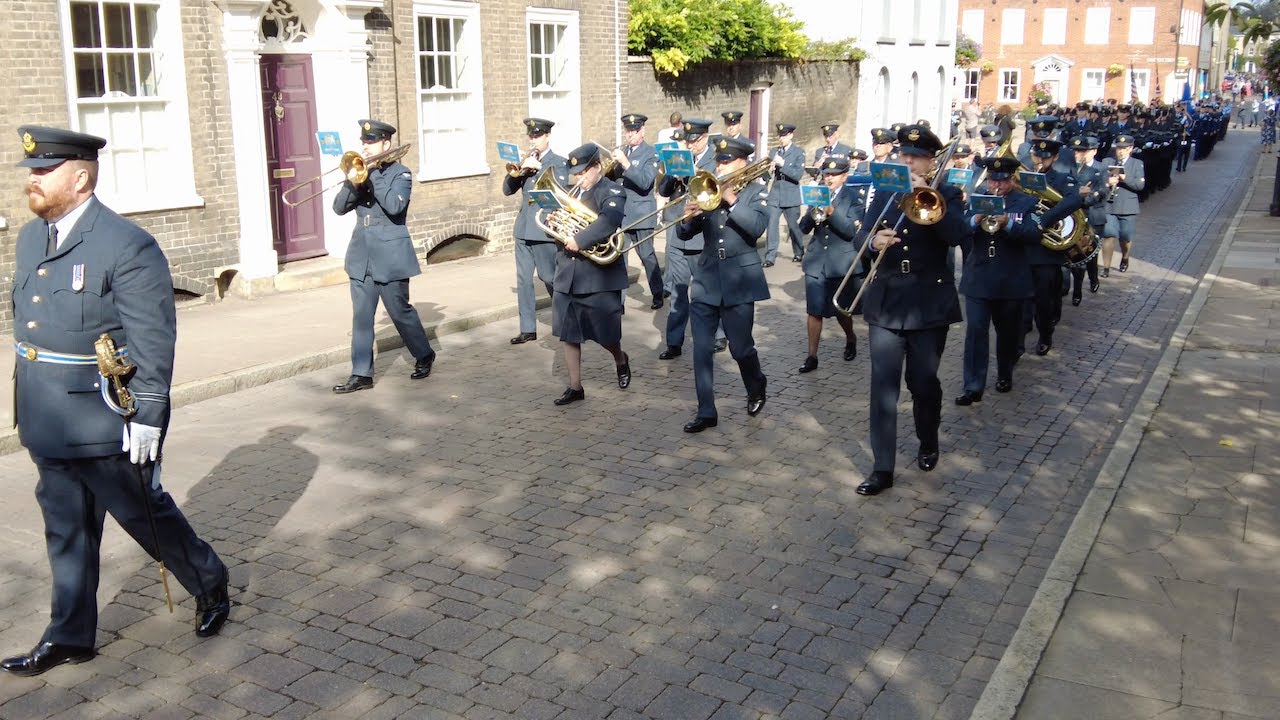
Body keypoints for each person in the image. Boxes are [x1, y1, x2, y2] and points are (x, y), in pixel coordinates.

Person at [3, 126, 230, 677]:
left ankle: (209, 581)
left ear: (79, 177)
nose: (32, 180)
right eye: (32, 171)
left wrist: (149, 414)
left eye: (43, 171)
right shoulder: (33, 237)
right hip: (47, 415)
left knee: (143, 515)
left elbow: (153, 338)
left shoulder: (126, 245)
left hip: (104, 417)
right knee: (66, 529)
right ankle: (71, 635)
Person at [857, 124, 965, 497]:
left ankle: (928, 439)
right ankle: (881, 468)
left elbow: (957, 237)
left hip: (927, 303)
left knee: (923, 383)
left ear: (931, 160)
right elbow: (862, 234)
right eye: (904, 155)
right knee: (883, 388)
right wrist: (873, 241)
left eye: (916, 156)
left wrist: (930, 194)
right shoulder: (887, 190)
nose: (908, 161)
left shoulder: (947, 192)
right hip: (887, 301)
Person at [331, 119, 436, 393]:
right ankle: (361, 374)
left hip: (390, 255)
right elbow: (339, 208)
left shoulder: (401, 174)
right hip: (361, 255)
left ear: (386, 144)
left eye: (372, 142)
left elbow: (394, 207)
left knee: (400, 312)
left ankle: (423, 353)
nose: (366, 147)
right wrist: (352, 181)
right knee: (362, 317)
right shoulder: (360, 174)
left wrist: (373, 174)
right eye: (364, 143)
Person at [677, 135, 771, 432]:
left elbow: (756, 228)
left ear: (744, 162)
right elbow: (683, 235)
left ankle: (756, 385)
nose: (721, 165)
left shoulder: (756, 192)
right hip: (706, 278)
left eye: (727, 161)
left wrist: (732, 200)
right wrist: (687, 219)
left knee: (741, 348)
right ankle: (706, 411)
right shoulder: (709, 190)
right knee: (701, 349)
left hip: (739, 279)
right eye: (719, 160)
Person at [548, 144, 632, 406]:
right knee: (568, 333)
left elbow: (608, 222)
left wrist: (580, 238)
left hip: (597, 276)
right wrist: (554, 225)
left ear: (596, 168)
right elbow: (560, 231)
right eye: (575, 173)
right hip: (568, 272)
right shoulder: (571, 193)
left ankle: (620, 359)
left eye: (583, 172)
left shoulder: (612, 190)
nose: (578, 178)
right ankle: (575, 387)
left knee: (605, 334)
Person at [957, 155, 1040, 407]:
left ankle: (1005, 372)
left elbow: (1035, 234)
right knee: (976, 332)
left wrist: (1009, 225)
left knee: (1007, 332)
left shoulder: (1027, 202)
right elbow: (960, 228)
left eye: (1002, 181)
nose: (997, 186)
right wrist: (975, 219)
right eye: (993, 181)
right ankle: (973, 385)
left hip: (1009, 278)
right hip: (979, 276)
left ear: (1012, 180)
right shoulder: (978, 198)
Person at [657, 119, 726, 359]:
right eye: (687, 140)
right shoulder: (679, 158)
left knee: (706, 289)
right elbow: (664, 191)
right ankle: (674, 342)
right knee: (678, 290)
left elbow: (717, 197)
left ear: (705, 138)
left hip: (700, 234)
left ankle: (718, 334)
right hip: (678, 233)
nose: (689, 145)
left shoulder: (714, 161)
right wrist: (671, 173)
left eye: (693, 141)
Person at [796, 156, 864, 373]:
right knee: (814, 311)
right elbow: (803, 228)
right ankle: (812, 356)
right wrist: (811, 211)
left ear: (844, 176)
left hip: (840, 261)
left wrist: (831, 212)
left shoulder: (855, 198)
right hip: (817, 261)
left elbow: (850, 231)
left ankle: (851, 338)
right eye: (826, 174)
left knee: (841, 310)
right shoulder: (817, 195)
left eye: (834, 175)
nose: (829, 178)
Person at [503, 118, 567, 345]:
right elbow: (507, 190)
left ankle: (564, 319)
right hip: (523, 229)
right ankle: (527, 328)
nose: (534, 140)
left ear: (548, 136)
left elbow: (560, 192)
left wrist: (539, 170)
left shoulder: (559, 163)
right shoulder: (526, 162)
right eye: (531, 136)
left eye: (538, 136)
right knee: (523, 280)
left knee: (549, 277)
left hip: (543, 229)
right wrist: (517, 172)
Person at [610, 113, 664, 309]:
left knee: (647, 256)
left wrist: (625, 163)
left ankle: (658, 292)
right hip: (624, 214)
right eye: (628, 130)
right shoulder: (624, 152)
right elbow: (615, 182)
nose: (630, 134)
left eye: (634, 130)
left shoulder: (652, 154)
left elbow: (645, 182)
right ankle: (620, 301)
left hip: (642, 214)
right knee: (620, 259)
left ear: (643, 131)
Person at [1068, 136, 1106, 304]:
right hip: (1069, 218)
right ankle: (1076, 289)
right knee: (1075, 255)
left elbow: (1100, 194)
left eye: (1081, 151)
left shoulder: (1094, 172)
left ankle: (1091, 280)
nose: (1077, 154)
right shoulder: (1065, 169)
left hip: (1088, 216)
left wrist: (1083, 199)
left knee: (1087, 254)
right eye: (1074, 150)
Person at [1100, 134, 1145, 275]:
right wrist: (1108, 182)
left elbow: (1140, 185)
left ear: (1130, 148)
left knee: (1125, 237)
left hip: (1127, 206)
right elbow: (1099, 179)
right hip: (1109, 204)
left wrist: (1125, 178)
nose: (1120, 151)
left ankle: (1125, 257)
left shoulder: (1136, 163)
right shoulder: (1107, 161)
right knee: (1108, 234)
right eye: (1119, 148)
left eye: (1124, 148)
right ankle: (1106, 267)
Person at [764, 123, 807, 266]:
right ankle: (770, 256)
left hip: (791, 193)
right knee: (771, 225)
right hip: (776, 193)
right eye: (780, 135)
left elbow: (797, 175)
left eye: (784, 135)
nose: (781, 138)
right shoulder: (774, 152)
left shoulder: (798, 153)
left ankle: (799, 251)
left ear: (791, 135)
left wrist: (783, 165)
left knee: (794, 227)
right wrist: (767, 171)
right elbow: (766, 176)